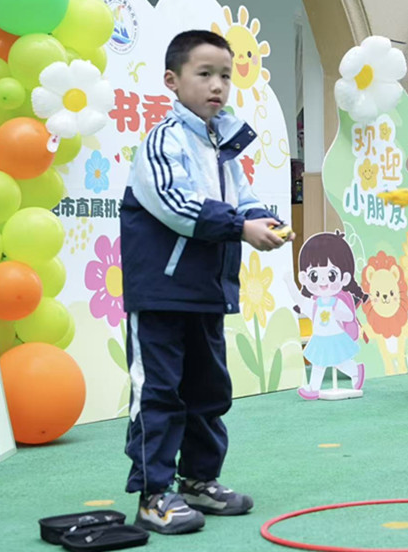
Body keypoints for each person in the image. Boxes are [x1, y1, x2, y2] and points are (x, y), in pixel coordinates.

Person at [120, 30, 292, 535]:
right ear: (172, 80)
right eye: (204, 74)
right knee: (159, 393)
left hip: (207, 292)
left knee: (208, 390)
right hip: (161, 292)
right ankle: (153, 494)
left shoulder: (222, 147)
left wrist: (263, 220)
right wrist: (241, 227)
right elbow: (174, 204)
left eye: (225, 76)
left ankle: (198, 480)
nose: (217, 85)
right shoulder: (163, 140)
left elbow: (243, 199)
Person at [284, 231, 366, 400]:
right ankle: (314, 388)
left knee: (338, 361)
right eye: (314, 276)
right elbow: (299, 299)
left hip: (335, 337)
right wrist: (290, 283)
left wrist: (336, 311)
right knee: (319, 363)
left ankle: (355, 371)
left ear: (344, 278)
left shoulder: (337, 302)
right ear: (304, 277)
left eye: (330, 275)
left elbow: (349, 316)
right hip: (320, 338)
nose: (322, 281)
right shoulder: (314, 304)